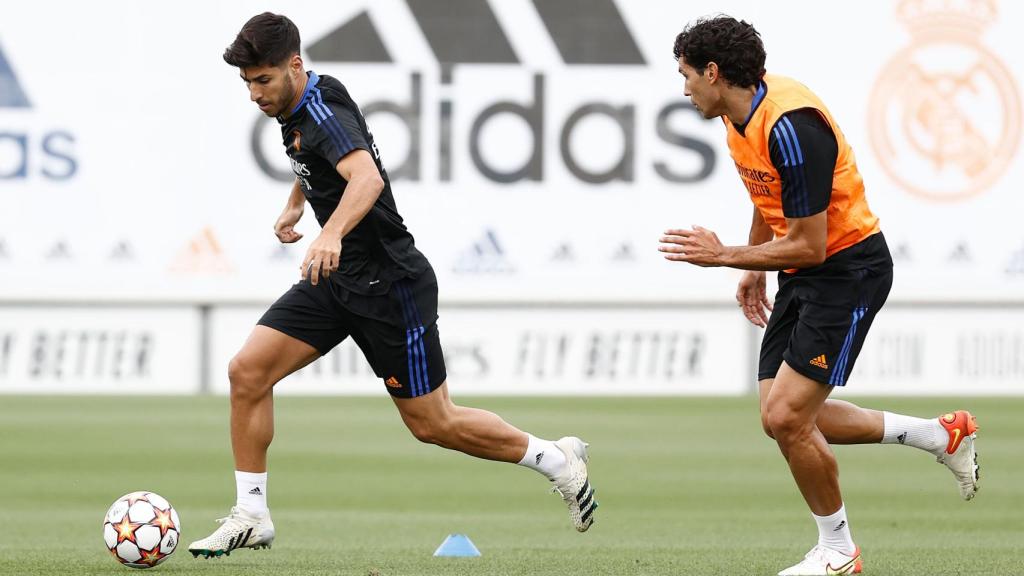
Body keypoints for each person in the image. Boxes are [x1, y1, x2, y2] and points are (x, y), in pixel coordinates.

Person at [187, 12, 597, 558]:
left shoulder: (325, 109)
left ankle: (556, 460)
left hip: (389, 284)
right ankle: (252, 513)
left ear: (294, 65)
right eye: (247, 83)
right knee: (247, 371)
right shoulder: (305, 98)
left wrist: (328, 233)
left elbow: (366, 177)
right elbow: (314, 161)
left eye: (262, 80)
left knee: (434, 424)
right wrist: (294, 207)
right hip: (335, 279)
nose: (254, 94)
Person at [658, 16, 979, 576]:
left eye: (687, 75)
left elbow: (809, 244)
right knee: (779, 416)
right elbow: (770, 195)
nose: (684, 88)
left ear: (713, 72)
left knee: (787, 417)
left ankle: (838, 552)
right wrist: (755, 265)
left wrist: (726, 255)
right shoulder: (740, 114)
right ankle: (939, 435)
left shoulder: (791, 125)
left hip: (847, 269)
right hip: (805, 271)